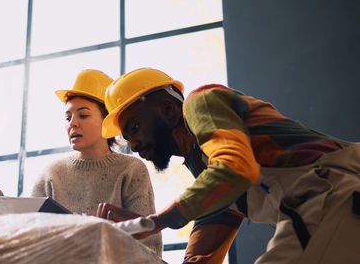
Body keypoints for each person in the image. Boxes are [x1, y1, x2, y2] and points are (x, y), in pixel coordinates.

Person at [97, 68, 360, 264]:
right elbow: (201, 256)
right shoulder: (212, 185)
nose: (135, 144)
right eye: (128, 139)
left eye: (135, 127)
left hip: (333, 194)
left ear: (167, 109)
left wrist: (152, 223)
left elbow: (235, 168)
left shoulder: (201, 102)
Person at [30, 69, 163, 257]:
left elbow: (150, 248)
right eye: (68, 118)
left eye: (83, 115)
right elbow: (27, 239)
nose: (72, 124)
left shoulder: (131, 170)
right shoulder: (51, 174)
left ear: (106, 120)